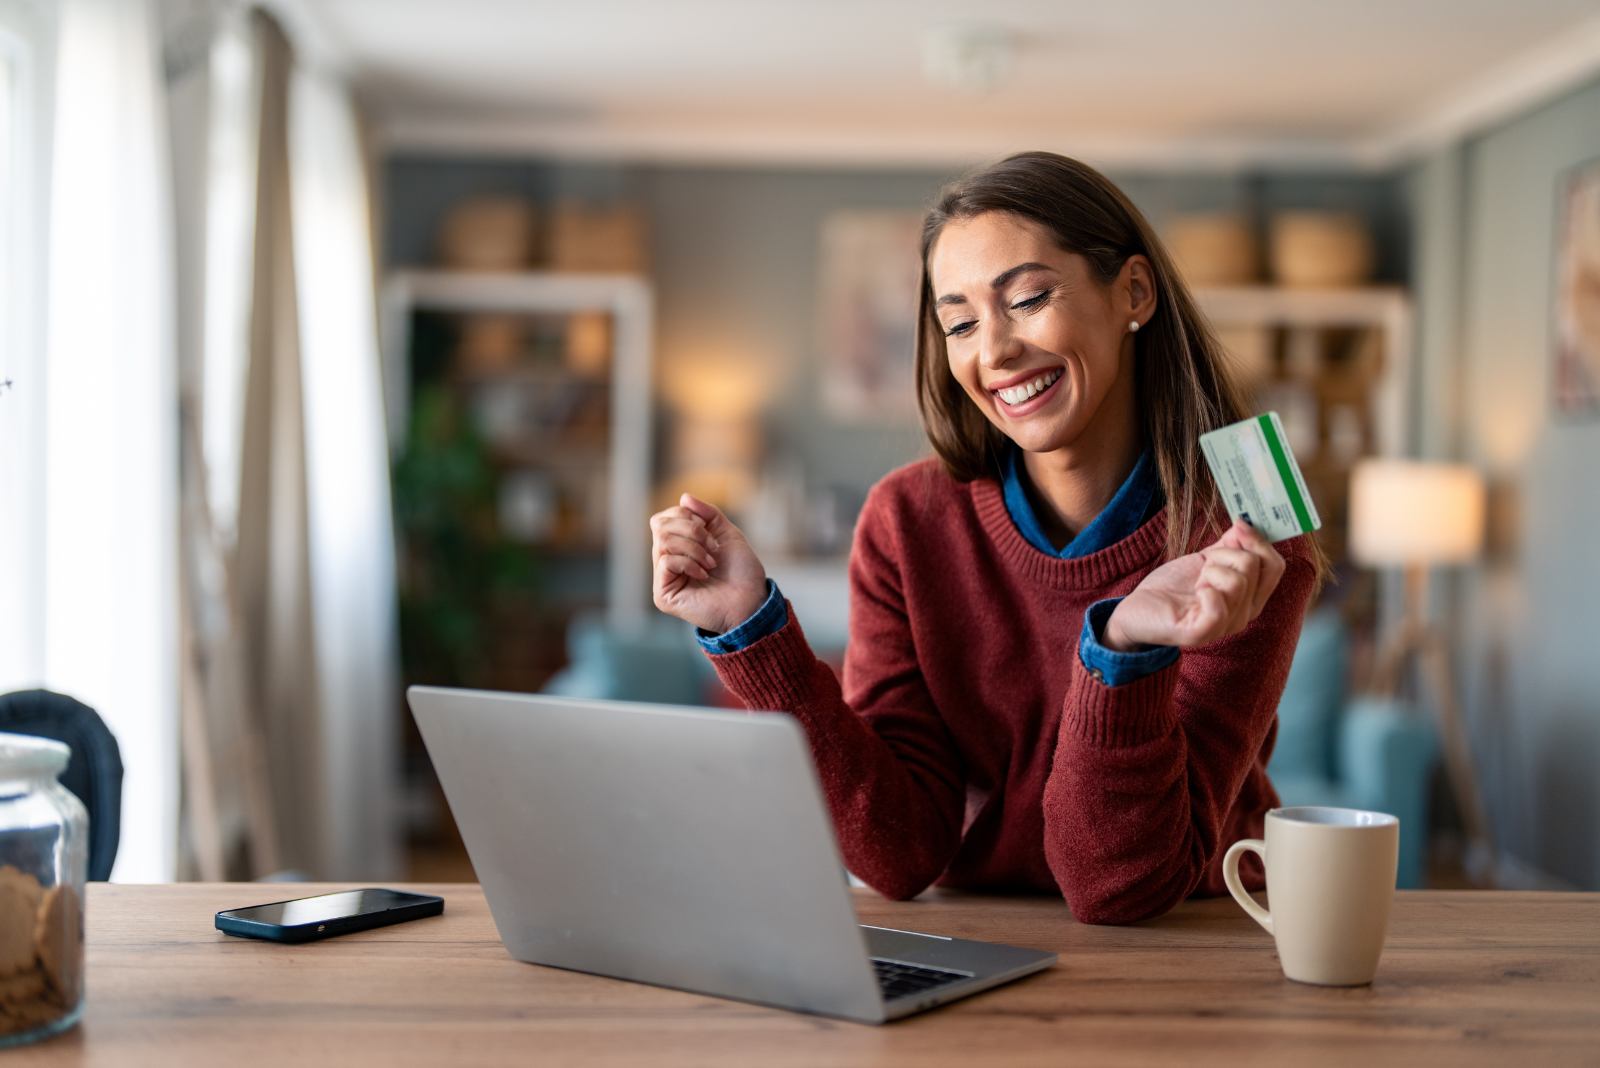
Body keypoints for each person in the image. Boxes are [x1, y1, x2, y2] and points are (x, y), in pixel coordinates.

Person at [648, 152, 1323, 925]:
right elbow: (896, 854)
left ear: (1134, 292)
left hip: (1189, 943)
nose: (993, 350)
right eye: (960, 322)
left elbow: (1122, 883)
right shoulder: (906, 523)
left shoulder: (1245, 543)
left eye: (1028, 298)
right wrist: (748, 627)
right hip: (977, 935)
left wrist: (1126, 652)